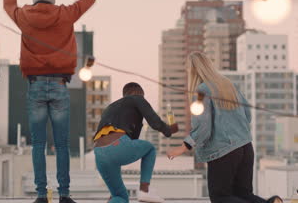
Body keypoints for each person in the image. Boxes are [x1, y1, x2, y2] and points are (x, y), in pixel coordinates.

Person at [3, 0, 102, 203]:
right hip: (59, 84)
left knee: (38, 144)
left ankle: (40, 194)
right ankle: (64, 194)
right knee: (62, 144)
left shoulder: (24, 16)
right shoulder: (66, 14)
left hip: (35, 85)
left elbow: (7, 4)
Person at [167, 52, 283, 203]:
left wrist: (183, 147)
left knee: (220, 197)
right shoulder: (229, 85)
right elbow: (248, 116)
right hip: (246, 147)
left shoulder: (201, 92)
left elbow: (203, 127)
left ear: (193, 71)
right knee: (244, 194)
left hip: (224, 151)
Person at [94, 82, 178, 203]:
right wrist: (169, 130)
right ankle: (144, 191)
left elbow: (131, 140)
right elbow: (154, 122)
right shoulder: (137, 98)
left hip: (99, 153)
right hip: (117, 145)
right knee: (149, 149)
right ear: (139, 93)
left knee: (120, 196)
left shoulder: (110, 107)